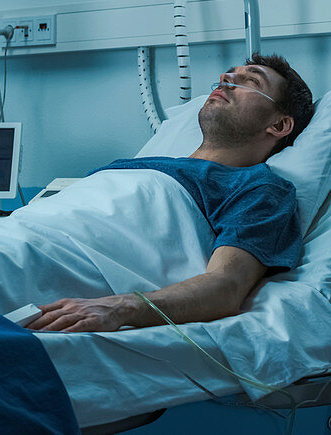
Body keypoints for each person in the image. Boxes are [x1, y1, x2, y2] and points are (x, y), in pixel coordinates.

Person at [27, 52, 315, 334]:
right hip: (22, 233)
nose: (226, 78)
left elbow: (225, 287)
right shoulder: (131, 166)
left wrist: (121, 308)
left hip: (48, 265)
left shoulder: (258, 188)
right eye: (230, 73)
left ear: (278, 125)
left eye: (251, 81)